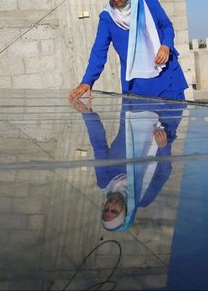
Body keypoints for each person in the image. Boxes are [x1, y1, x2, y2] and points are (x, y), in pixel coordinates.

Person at [69, 0, 188, 101]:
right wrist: (87, 81)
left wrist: (166, 46)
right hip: (136, 85)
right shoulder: (107, 17)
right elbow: (99, 51)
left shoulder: (148, 2)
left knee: (173, 118)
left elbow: (167, 26)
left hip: (166, 78)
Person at [70, 97, 186, 232]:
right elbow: (163, 173)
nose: (111, 205)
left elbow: (99, 146)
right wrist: (163, 147)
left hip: (133, 110)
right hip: (163, 125)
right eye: (114, 211)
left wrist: (87, 114)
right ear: (125, 214)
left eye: (106, 209)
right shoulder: (143, 198)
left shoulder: (105, 182)